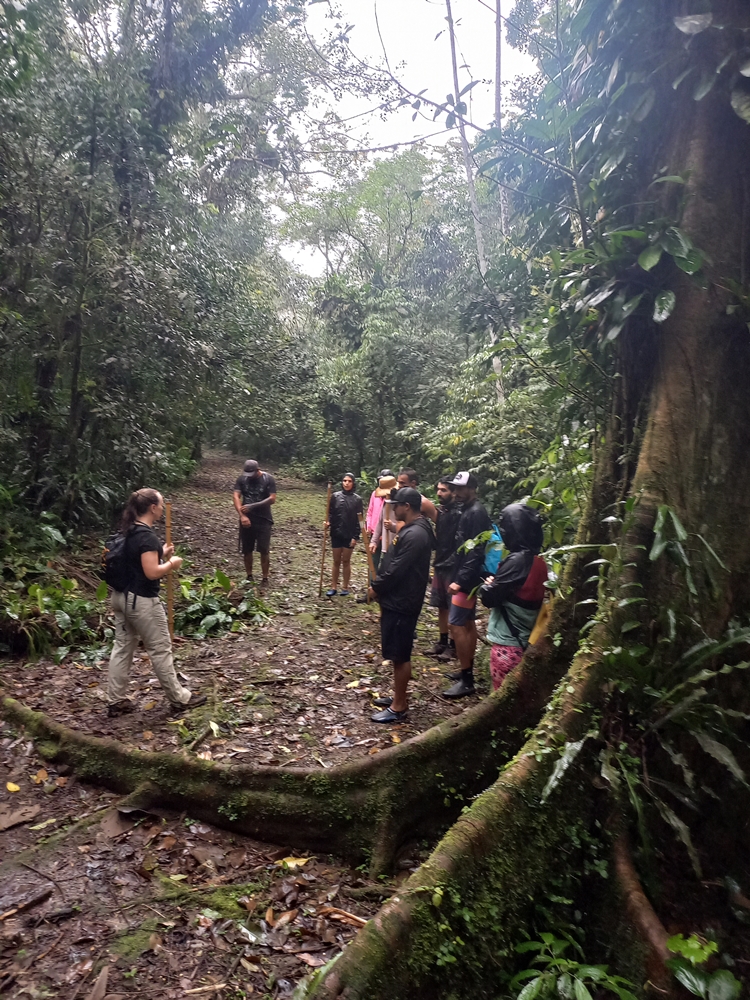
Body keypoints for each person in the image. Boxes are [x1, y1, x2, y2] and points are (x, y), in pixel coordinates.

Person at [107, 489, 207, 717]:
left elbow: (136, 560)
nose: (162, 508)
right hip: (141, 602)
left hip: (120, 598)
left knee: (122, 648)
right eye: (161, 504)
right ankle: (179, 698)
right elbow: (151, 572)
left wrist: (160, 552)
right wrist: (172, 564)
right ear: (153, 508)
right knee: (160, 649)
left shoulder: (129, 530)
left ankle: (115, 700)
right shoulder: (147, 536)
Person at [367, 487, 434, 723]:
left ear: (407, 506)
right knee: (397, 653)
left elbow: (398, 569)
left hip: (402, 602)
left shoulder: (416, 534)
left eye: (396, 505)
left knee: (400, 654)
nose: (393, 509)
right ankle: (398, 695)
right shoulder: (413, 529)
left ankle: (399, 706)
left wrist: (377, 588)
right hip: (398, 599)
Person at [479, 504, 548, 690]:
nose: (502, 532)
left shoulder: (517, 561)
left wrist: (488, 585)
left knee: (502, 696)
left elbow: (489, 598)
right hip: (527, 641)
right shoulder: (540, 560)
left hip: (508, 645)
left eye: (505, 528)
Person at [443, 471, 492, 699]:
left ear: (472, 489)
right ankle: (466, 669)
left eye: (460, 489)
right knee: (468, 622)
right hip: (464, 574)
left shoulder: (476, 513)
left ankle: (467, 678)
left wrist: (460, 581)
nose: (456, 492)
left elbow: (476, 551)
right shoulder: (466, 510)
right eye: (455, 488)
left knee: (456, 624)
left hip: (467, 578)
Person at [426, 477, 462, 660]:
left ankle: (454, 646)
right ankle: (442, 641)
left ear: (454, 492)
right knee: (441, 605)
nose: (439, 493)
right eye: (438, 489)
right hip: (440, 562)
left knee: (452, 606)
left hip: (453, 565)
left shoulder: (459, 513)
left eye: (444, 490)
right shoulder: (442, 512)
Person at [233, 460, 277, 585]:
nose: (250, 476)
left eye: (252, 473)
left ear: (258, 470)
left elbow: (272, 498)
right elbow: (236, 496)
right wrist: (242, 515)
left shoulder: (268, 479)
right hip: (247, 518)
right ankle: (249, 576)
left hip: (264, 519)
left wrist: (253, 506)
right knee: (247, 549)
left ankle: (265, 577)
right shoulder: (242, 479)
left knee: (264, 549)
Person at [325, 473, 363, 597]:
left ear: (353, 483)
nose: (346, 483)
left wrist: (356, 536)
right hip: (336, 532)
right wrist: (328, 522)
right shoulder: (335, 496)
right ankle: (333, 586)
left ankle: (345, 587)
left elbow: (360, 519)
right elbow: (330, 513)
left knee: (346, 561)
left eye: (349, 481)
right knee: (336, 561)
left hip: (349, 534)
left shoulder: (357, 499)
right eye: (344, 481)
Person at [365, 469, 394, 574]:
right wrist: (368, 526)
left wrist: (384, 532)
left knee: (386, 561)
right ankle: (371, 584)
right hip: (374, 532)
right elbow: (370, 511)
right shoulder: (375, 494)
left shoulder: (394, 499)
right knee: (373, 561)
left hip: (388, 533)